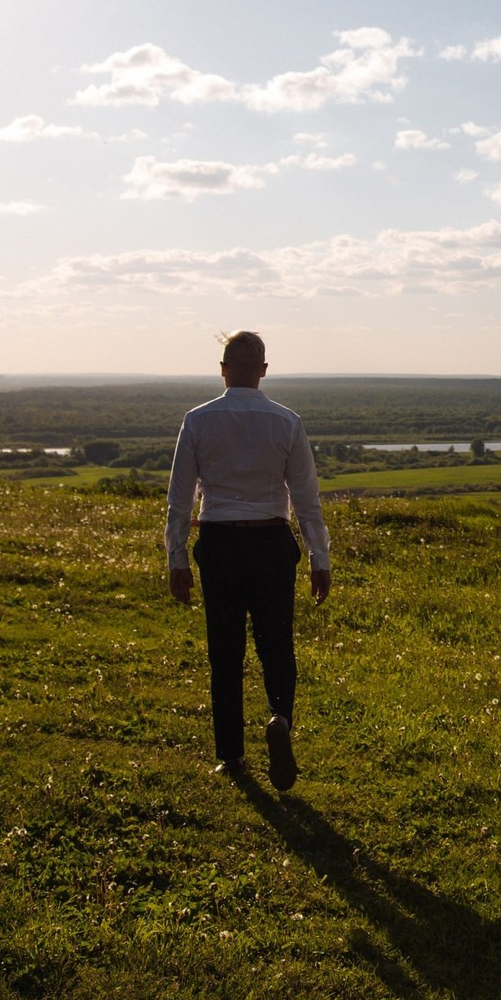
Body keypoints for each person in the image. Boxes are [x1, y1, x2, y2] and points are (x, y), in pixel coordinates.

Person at [165, 331, 331, 788]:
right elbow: (306, 498)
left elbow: (180, 498)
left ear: (222, 369)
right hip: (272, 542)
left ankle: (231, 755)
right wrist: (320, 556)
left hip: (219, 542)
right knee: (277, 644)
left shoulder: (197, 420)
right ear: (262, 370)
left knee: (225, 650)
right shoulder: (286, 422)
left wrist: (176, 557)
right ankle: (280, 718)